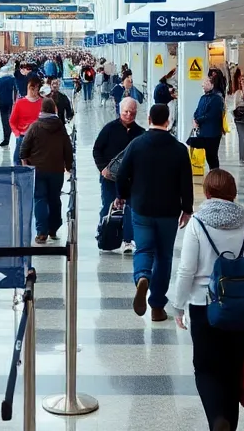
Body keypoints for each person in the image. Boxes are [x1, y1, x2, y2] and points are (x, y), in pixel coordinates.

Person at [172, 169, 244, 431]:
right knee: (233, 369)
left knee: (205, 368)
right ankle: (228, 424)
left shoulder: (197, 223)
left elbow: (186, 270)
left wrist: (178, 305)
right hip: (242, 308)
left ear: (206, 193)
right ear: (233, 194)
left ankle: (218, 420)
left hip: (202, 306)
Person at [115, 103, 194, 322]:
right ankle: (157, 306)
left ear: (149, 118)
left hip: (141, 208)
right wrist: (187, 209)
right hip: (169, 211)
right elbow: (186, 182)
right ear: (167, 121)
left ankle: (142, 277)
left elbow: (121, 174)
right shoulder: (179, 149)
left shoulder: (136, 144)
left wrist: (123, 195)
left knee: (144, 249)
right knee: (164, 256)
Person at [93, 97, 145, 253]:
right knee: (108, 204)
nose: (129, 115)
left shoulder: (140, 132)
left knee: (130, 207)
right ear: (120, 111)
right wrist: (103, 169)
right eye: (126, 112)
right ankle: (105, 233)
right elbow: (97, 149)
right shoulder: (109, 129)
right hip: (110, 177)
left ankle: (128, 239)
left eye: (132, 112)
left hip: (130, 180)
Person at [20, 97, 74, 244]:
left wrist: (25, 162)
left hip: (37, 170)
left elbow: (24, 148)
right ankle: (53, 229)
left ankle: (41, 232)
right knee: (54, 199)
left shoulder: (35, 126)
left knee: (40, 199)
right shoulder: (61, 127)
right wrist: (68, 166)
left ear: (41, 110)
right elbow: (68, 148)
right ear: (55, 109)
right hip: (56, 170)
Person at [192, 76, 225, 171]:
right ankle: (212, 172)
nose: (203, 85)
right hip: (203, 132)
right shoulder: (203, 97)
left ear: (212, 85)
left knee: (212, 155)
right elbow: (197, 110)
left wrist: (198, 120)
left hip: (213, 133)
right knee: (208, 155)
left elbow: (212, 115)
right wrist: (195, 119)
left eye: (206, 83)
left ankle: (215, 174)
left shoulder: (217, 99)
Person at [9, 78, 44, 165]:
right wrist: (17, 133)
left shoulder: (43, 102)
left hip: (38, 135)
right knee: (18, 157)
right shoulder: (20, 103)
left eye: (36, 88)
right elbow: (12, 121)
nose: (33, 91)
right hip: (23, 134)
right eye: (32, 88)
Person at [0, 65, 17, 148]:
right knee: (12, 119)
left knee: (4, 120)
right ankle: (14, 135)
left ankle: (6, 138)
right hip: (11, 101)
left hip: (2, 102)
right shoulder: (13, 79)